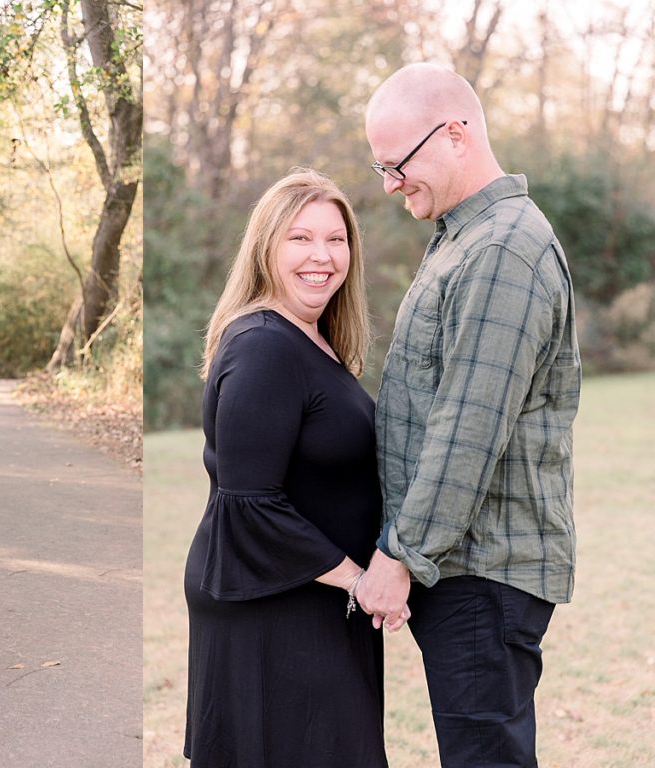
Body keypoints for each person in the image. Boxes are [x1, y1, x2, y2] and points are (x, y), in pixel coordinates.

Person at [359, 62, 581, 767]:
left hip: (481, 574)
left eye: (398, 165)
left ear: (455, 135)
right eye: (381, 169)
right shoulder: (463, 238)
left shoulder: (502, 250)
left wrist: (400, 555)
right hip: (463, 569)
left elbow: (467, 429)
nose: (391, 184)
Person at [183, 169, 408, 768]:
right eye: (300, 239)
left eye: (336, 240)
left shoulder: (313, 339)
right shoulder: (263, 344)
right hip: (272, 602)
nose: (322, 256)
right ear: (266, 247)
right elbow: (248, 504)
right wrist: (360, 582)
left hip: (318, 598)